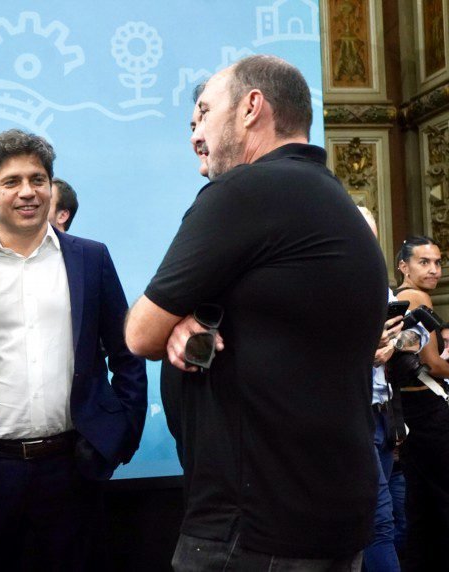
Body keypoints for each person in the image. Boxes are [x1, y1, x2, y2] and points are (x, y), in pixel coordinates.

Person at [125, 55, 388, 570]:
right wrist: (190, 316)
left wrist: (174, 318)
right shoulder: (334, 200)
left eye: (204, 113)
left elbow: (139, 334)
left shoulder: (243, 191)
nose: (195, 134)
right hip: (325, 516)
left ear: (251, 108)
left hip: (253, 532)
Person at [0, 129, 147, 571]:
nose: (28, 192)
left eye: (38, 180)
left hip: (73, 467)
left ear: (51, 186)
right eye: (12, 181)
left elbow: (126, 351)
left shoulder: (90, 259)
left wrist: (122, 432)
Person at [358, 207, 428, 572]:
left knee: (390, 520)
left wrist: (395, 344)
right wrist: (366, 351)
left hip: (386, 415)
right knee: (379, 521)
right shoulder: (326, 282)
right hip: (352, 416)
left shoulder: (379, 286)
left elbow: (419, 334)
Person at [391, 235, 449, 571]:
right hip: (428, 409)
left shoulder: (399, 297)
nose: (433, 270)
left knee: (421, 503)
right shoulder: (416, 297)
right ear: (404, 266)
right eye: (423, 262)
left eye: (438, 262)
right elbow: (434, 365)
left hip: (410, 410)